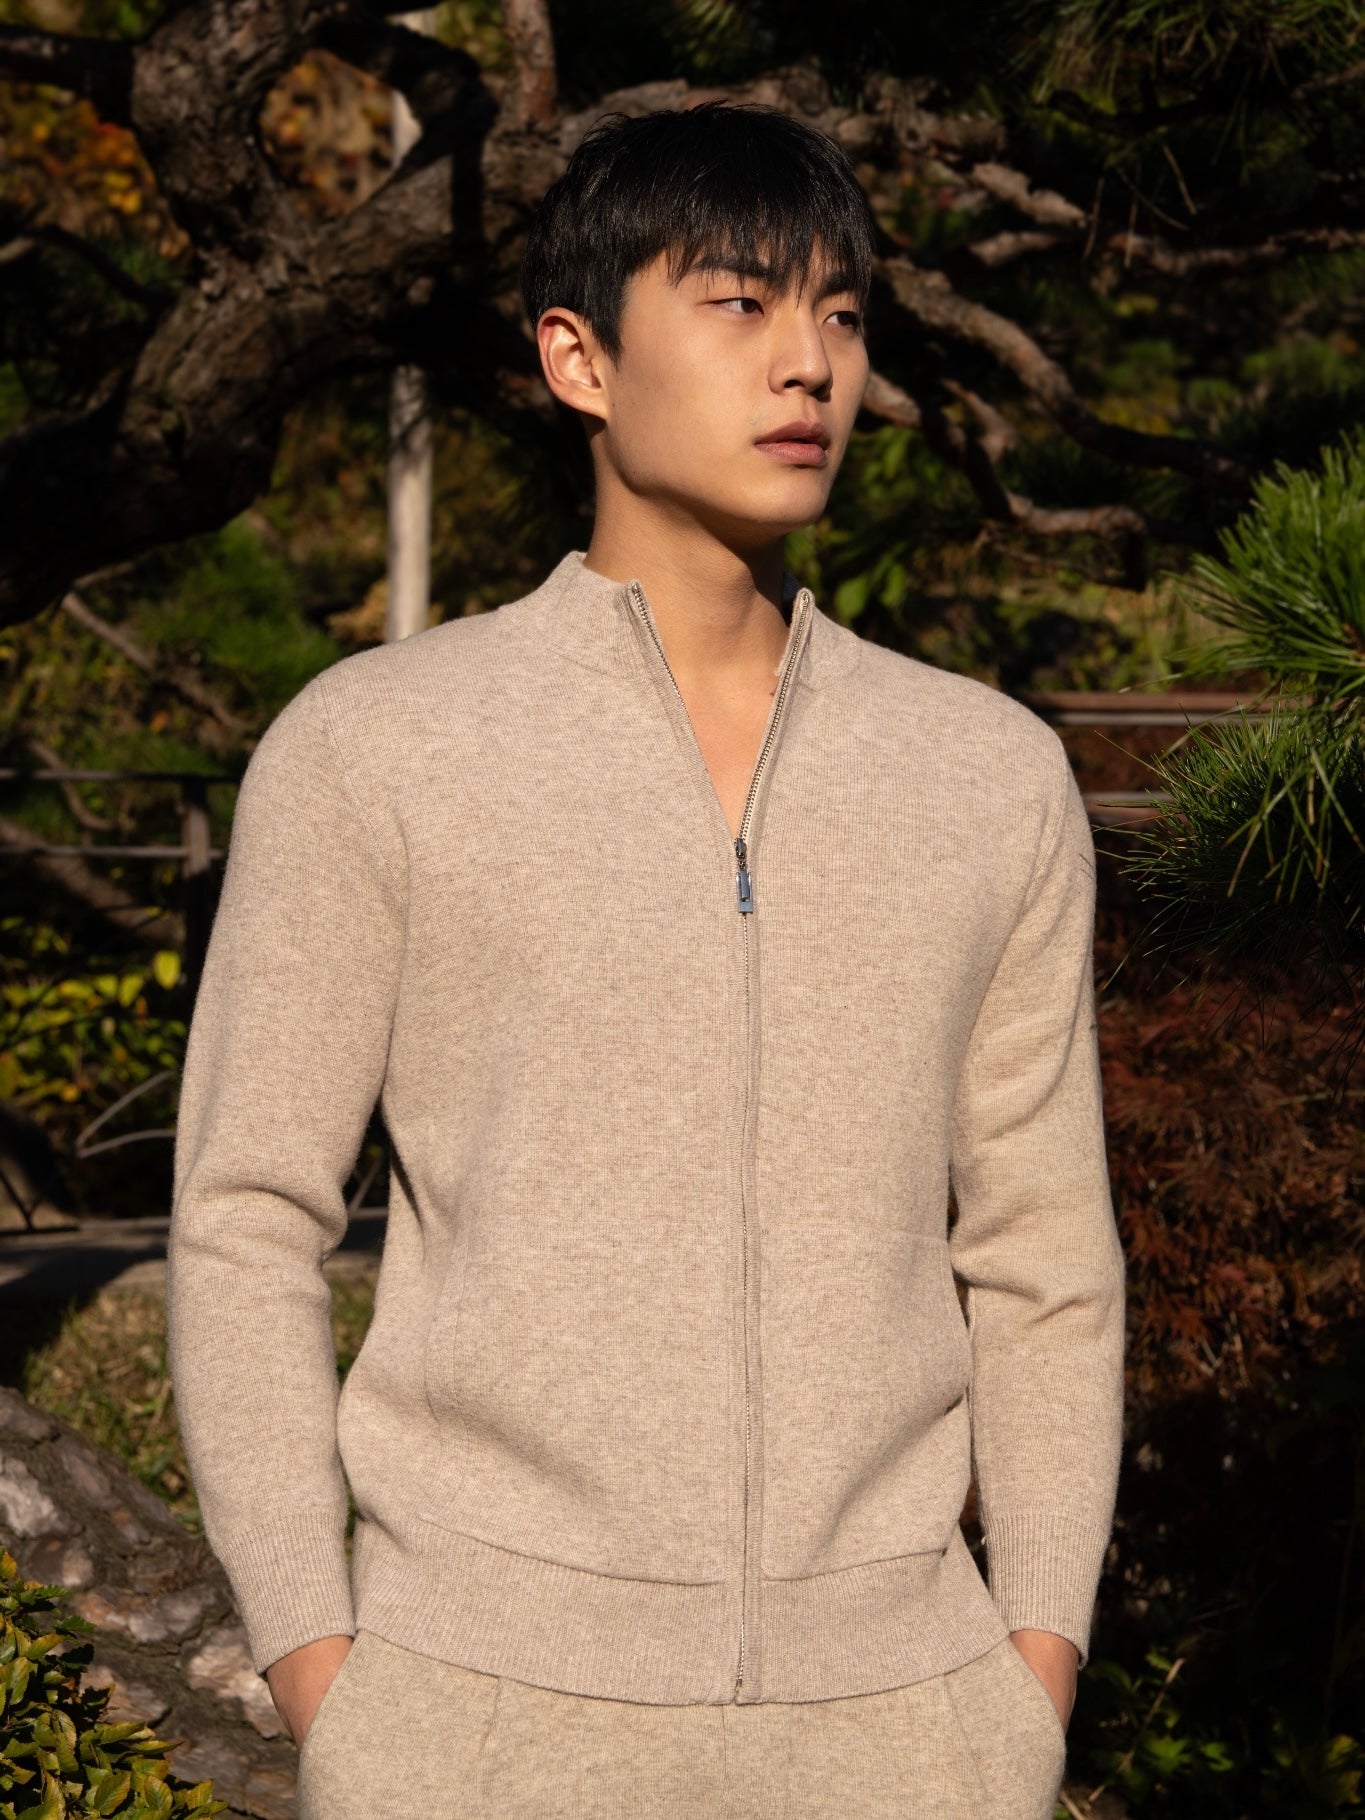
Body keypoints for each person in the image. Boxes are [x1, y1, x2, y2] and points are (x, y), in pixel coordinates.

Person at [166, 99, 1126, 1820]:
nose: (808, 364)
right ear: (579, 358)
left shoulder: (984, 777)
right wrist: (328, 1669)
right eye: (739, 303)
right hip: (475, 1721)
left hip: (910, 1729)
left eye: (840, 313)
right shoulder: (378, 749)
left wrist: (1027, 1674)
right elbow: (245, 1217)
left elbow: (1045, 1259)